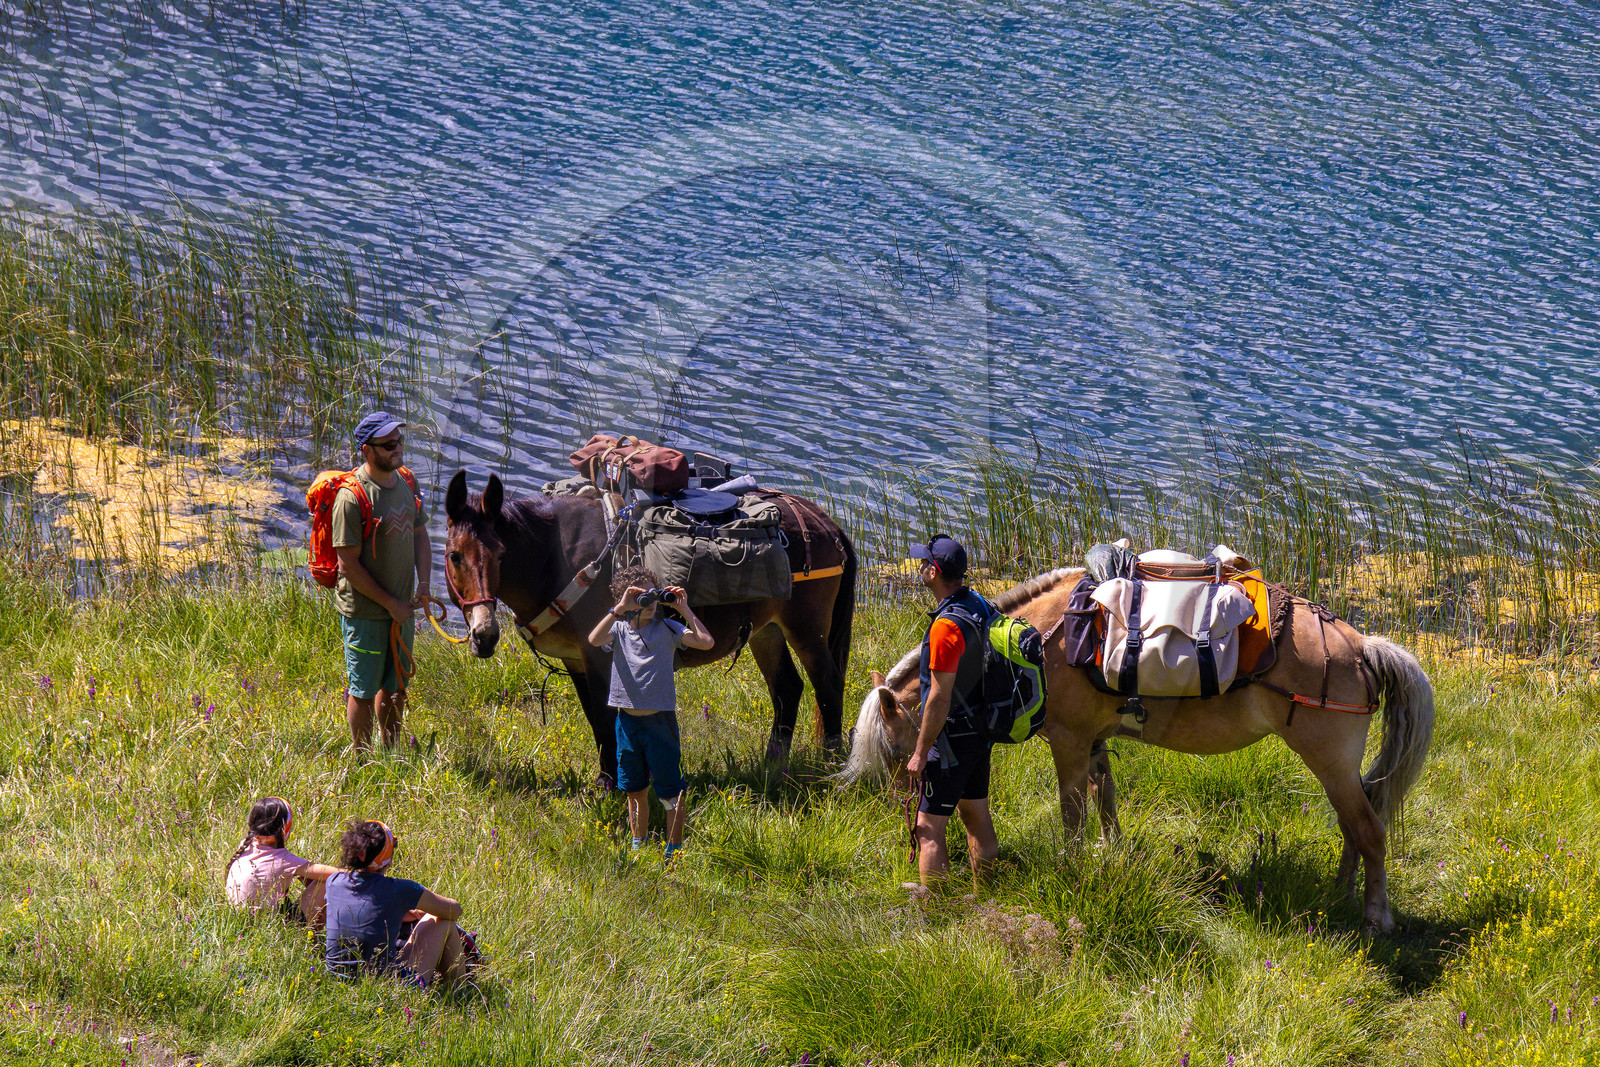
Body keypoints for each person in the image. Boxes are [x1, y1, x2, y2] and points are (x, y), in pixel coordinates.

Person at [586, 565, 714, 863]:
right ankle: (639, 846)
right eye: (639, 596)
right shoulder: (618, 629)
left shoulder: (668, 629)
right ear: (625, 599)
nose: (648, 601)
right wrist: (619, 609)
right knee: (634, 789)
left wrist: (684, 609)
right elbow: (594, 639)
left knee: (671, 790)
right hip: (627, 723)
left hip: (660, 723)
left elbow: (706, 643)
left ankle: (674, 851)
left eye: (651, 594)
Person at [904, 534, 1001, 892]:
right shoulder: (979, 603)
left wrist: (918, 752)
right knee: (976, 815)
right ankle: (986, 898)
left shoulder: (946, 626)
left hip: (952, 739)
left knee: (927, 828)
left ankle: (938, 912)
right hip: (981, 729)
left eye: (924, 563)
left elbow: (939, 698)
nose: (919, 567)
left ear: (933, 572)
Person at [332, 411, 431, 751]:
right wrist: (390, 604)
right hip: (365, 612)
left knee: (396, 686)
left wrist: (424, 587)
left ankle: (390, 751)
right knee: (362, 689)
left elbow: (419, 533)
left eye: (399, 441)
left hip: (402, 609)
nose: (397, 449)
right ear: (367, 450)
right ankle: (361, 758)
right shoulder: (351, 497)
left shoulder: (407, 481)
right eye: (389, 445)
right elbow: (347, 565)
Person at [323, 820, 467, 987]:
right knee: (443, 922)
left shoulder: (333, 882)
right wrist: (424, 911)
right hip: (388, 990)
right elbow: (454, 911)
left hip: (337, 984)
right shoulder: (401, 889)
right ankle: (459, 991)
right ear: (388, 862)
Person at [224, 796, 338, 926]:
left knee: (305, 877)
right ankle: (312, 940)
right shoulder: (284, 859)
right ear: (285, 828)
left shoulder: (245, 846)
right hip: (270, 928)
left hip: (238, 924)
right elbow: (337, 873)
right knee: (324, 883)